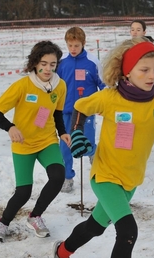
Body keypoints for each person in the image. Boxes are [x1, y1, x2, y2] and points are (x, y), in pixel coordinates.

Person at [51, 37, 154, 258]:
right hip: (106, 175)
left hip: (131, 180)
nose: (152, 76)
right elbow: (80, 107)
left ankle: (63, 251)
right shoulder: (110, 97)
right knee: (128, 232)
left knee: (95, 227)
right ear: (127, 72)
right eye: (144, 70)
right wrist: (77, 131)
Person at [0, 40, 71, 241]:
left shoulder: (60, 85)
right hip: (23, 144)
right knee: (23, 192)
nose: (48, 68)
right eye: (44, 63)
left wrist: (62, 132)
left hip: (47, 141)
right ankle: (3, 222)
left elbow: (58, 113)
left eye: (52, 64)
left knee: (58, 176)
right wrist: (10, 127)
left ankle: (35, 216)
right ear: (35, 63)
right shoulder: (22, 86)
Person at [56, 26, 106, 193]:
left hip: (86, 112)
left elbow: (103, 85)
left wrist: (104, 102)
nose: (73, 49)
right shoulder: (62, 62)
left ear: (83, 44)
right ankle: (67, 178)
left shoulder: (92, 62)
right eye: (70, 46)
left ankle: (98, 166)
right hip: (65, 111)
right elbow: (55, 85)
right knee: (65, 146)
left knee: (87, 142)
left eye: (76, 46)